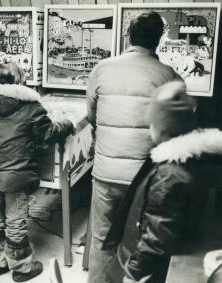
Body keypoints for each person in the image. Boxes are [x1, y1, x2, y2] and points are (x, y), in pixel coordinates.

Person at [86, 11, 182, 283]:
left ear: (128, 35)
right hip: (144, 180)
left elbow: (91, 115)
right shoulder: (169, 76)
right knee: (141, 243)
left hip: (106, 173)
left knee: (102, 240)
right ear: (158, 39)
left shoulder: (102, 68)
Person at [107, 81, 222, 283]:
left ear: (162, 129)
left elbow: (157, 234)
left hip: (142, 269)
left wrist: (134, 274)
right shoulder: (190, 159)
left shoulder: (169, 175)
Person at [0, 62, 74, 282]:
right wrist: (67, 124)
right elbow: (47, 133)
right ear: (19, 81)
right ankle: (22, 268)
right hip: (16, 175)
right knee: (15, 220)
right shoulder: (30, 106)